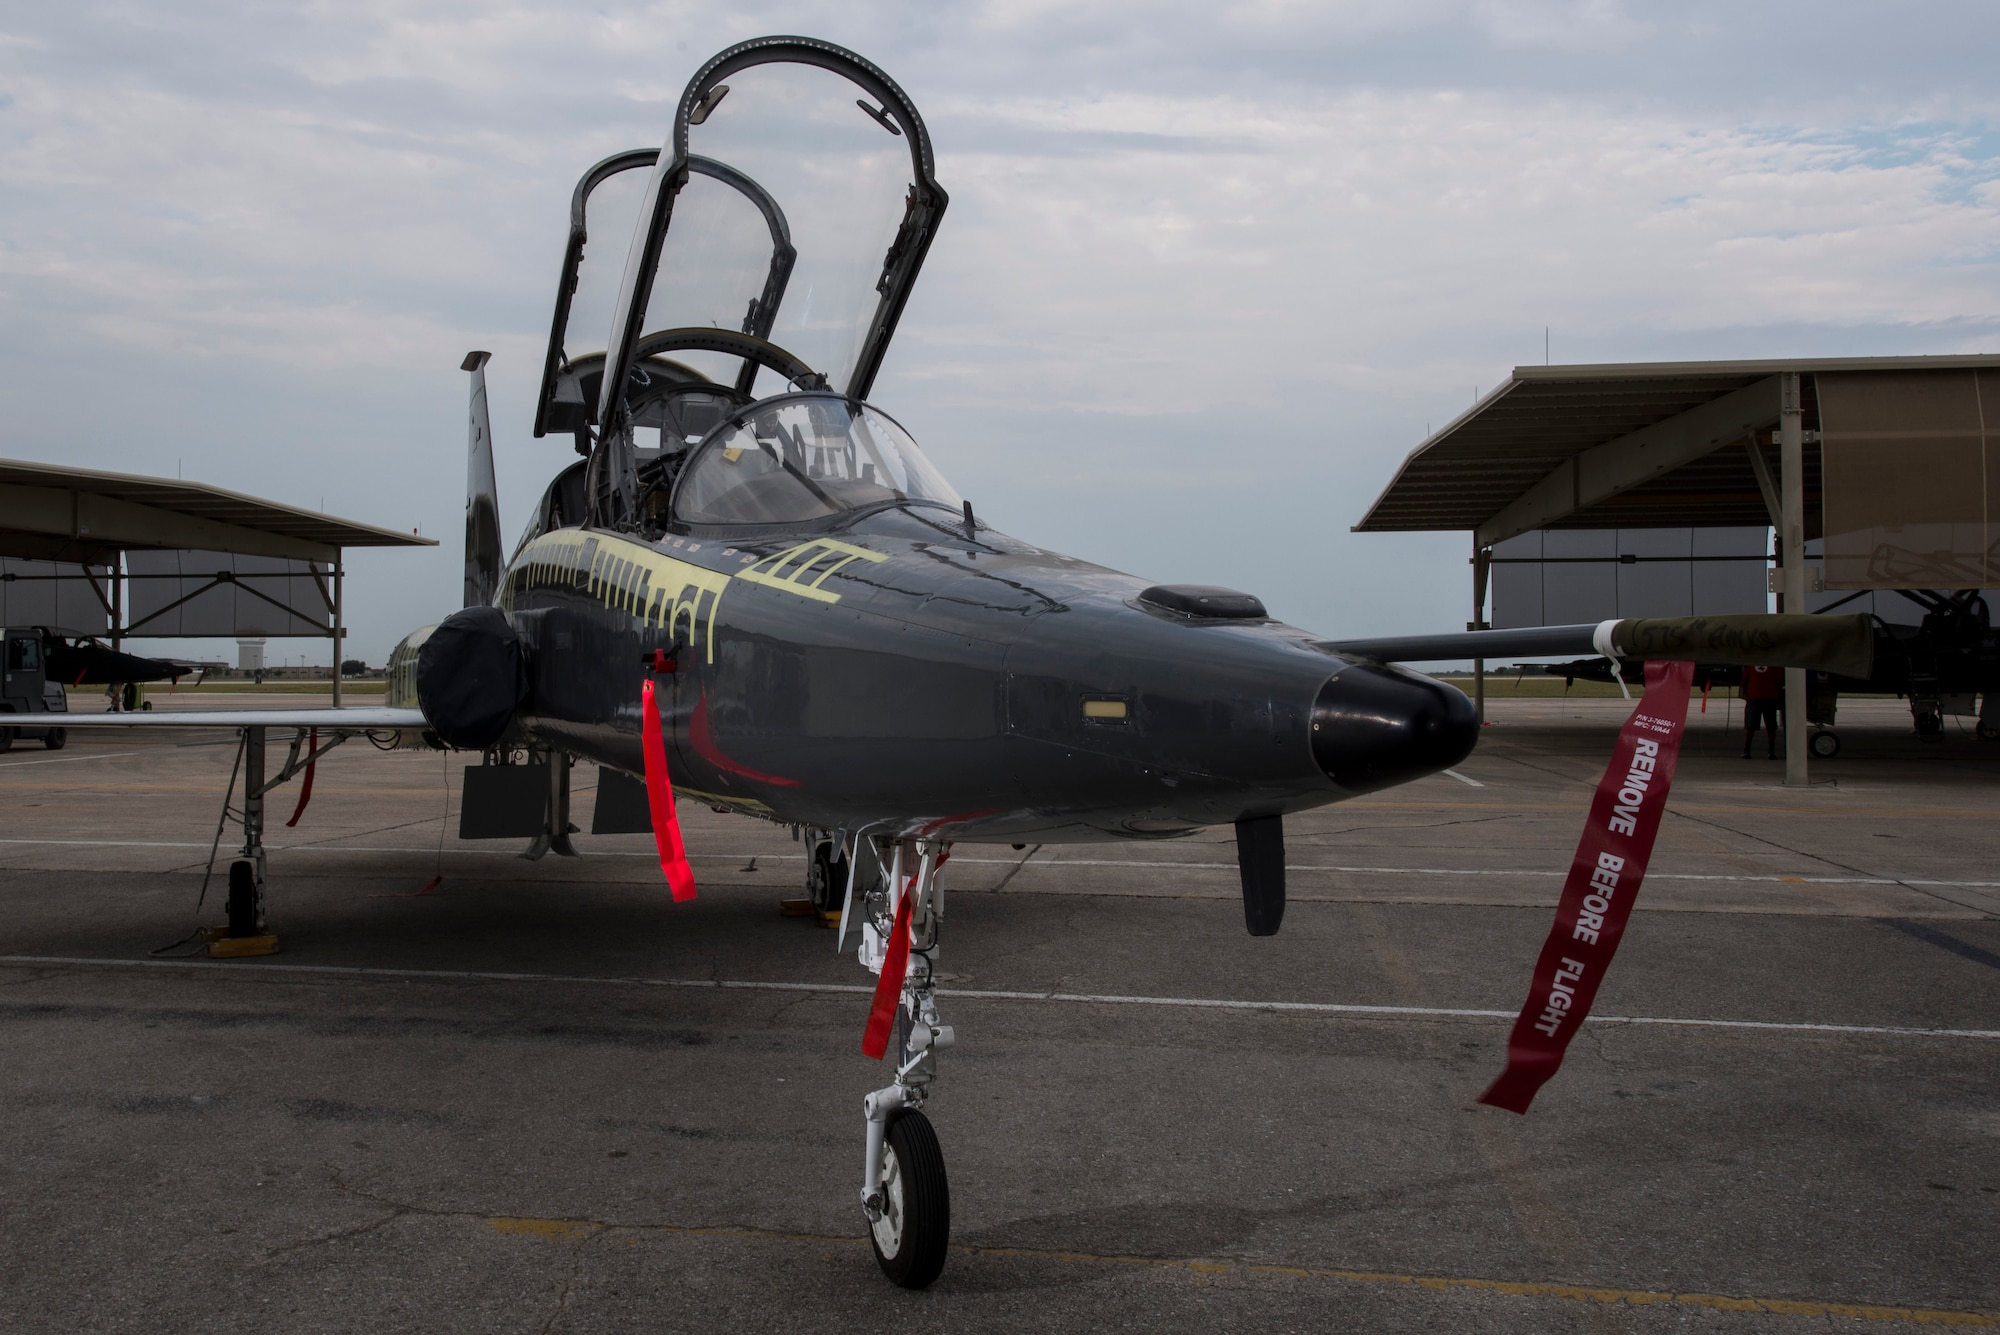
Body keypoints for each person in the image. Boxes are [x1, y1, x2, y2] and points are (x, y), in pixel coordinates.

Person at [1741, 664, 1781, 759]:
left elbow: (1743, 682)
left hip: (1754, 698)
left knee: (1751, 727)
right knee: (1770, 726)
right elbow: (1779, 682)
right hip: (1769, 698)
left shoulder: (1750, 667)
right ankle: (1771, 752)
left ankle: (1747, 750)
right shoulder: (1776, 666)